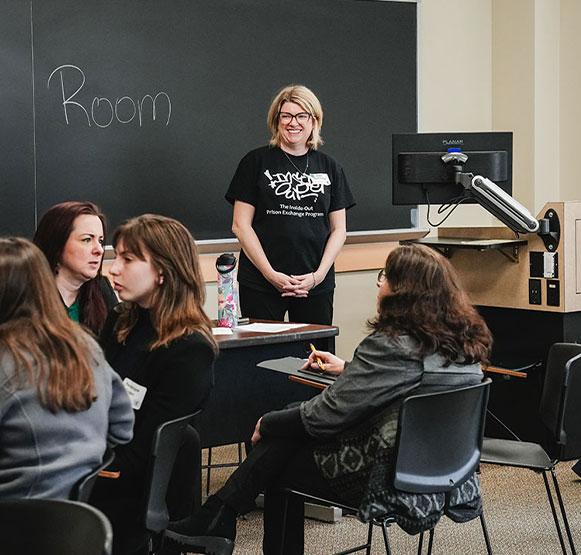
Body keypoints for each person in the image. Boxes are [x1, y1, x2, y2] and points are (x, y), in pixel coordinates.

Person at [164, 243, 492, 555]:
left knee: (280, 442)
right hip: (450, 471)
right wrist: (349, 370)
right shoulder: (463, 345)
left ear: (402, 291)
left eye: (384, 276)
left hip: (389, 477)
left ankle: (219, 516)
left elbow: (327, 415)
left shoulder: (390, 344)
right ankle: (219, 515)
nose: (379, 284)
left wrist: (268, 422)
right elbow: (412, 381)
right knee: (290, 421)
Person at [89, 214, 217, 555]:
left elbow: (140, 456)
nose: (113, 269)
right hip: (94, 453)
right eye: (116, 257)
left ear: (163, 271)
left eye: (129, 260)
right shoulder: (121, 320)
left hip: (117, 485)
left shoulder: (189, 348)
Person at [0, 237, 133, 499]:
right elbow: (122, 427)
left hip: (16, 516)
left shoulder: (6, 359)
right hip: (79, 517)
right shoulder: (85, 344)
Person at [225, 84, 355, 326]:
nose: (293, 123)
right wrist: (270, 275)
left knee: (314, 358)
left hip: (315, 285)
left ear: (314, 122)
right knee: (260, 360)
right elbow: (240, 226)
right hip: (261, 282)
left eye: (301, 116)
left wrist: (317, 277)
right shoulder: (255, 162)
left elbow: (339, 230)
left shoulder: (330, 167)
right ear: (276, 121)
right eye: (286, 116)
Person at [33, 201, 118, 335]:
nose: (99, 250)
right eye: (87, 240)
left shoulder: (102, 289)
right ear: (57, 246)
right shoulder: (29, 298)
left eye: (100, 241)